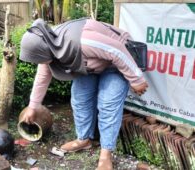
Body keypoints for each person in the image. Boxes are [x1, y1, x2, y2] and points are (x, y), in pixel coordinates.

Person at [19, 18, 148, 170]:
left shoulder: (83, 40)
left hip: (117, 62)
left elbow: (117, 50)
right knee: (80, 98)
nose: (39, 63)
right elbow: (42, 77)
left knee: (107, 103)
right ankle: (84, 140)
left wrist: (136, 79)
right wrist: (32, 106)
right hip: (90, 63)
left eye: (39, 59)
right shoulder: (50, 47)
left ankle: (106, 154)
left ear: (45, 50)